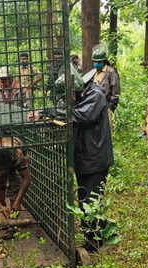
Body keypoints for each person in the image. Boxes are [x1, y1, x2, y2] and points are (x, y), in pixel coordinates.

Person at [55, 69, 113, 251]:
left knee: (92, 199)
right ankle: (95, 236)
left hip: (95, 158)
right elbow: (64, 109)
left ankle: (96, 241)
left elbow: (80, 116)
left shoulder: (95, 95)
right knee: (84, 199)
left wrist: (53, 111)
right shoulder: (80, 95)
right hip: (83, 157)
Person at [0, 137, 31, 219]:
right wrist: (1, 206)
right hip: (0, 162)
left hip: (15, 151)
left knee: (15, 183)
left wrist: (18, 201)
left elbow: (26, 178)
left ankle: (14, 211)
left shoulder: (18, 155)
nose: (4, 170)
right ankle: (2, 207)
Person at [91, 44, 121, 130]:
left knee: (107, 131)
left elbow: (116, 92)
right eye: (94, 62)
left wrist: (110, 108)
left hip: (106, 107)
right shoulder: (94, 73)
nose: (96, 64)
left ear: (104, 61)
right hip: (95, 107)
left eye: (98, 62)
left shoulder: (111, 72)